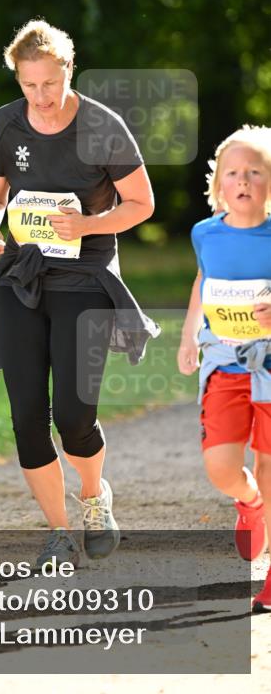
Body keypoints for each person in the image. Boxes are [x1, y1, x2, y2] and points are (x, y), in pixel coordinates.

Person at [0, 19, 159, 569]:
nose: (40, 97)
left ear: (67, 71)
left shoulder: (103, 126)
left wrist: (89, 225)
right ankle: (57, 531)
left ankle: (95, 499)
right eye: (29, 86)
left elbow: (141, 204)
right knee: (27, 413)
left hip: (85, 281)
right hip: (21, 280)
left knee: (73, 417)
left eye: (49, 84)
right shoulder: (6, 124)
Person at [177, 124, 271, 613]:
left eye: (256, 172)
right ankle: (250, 504)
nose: (244, 180)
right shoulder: (204, 234)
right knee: (221, 467)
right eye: (233, 172)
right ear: (218, 186)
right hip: (225, 363)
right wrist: (189, 332)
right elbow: (203, 282)